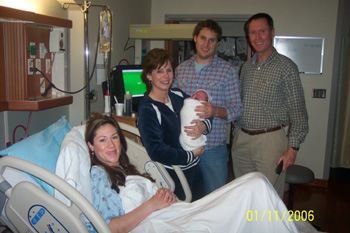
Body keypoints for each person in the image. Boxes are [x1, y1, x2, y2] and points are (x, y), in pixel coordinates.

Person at [84, 114, 317, 233]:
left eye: (115, 137)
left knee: (255, 185)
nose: (112, 145)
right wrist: (153, 204)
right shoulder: (99, 175)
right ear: (91, 146)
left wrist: (160, 195)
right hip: (162, 224)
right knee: (253, 187)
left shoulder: (122, 168)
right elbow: (111, 227)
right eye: (102, 140)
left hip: (176, 212)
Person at [231, 13, 309, 198]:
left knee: (268, 197)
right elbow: (240, 103)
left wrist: (293, 148)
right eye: (252, 33)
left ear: (272, 32)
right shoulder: (246, 68)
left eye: (262, 31)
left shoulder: (286, 67)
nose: (257, 37)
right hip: (242, 139)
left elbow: (299, 113)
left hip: (270, 141)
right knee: (242, 195)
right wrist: (235, 135)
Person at [174, 19, 243, 195]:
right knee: (186, 196)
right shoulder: (181, 70)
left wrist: (214, 111)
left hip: (213, 151)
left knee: (215, 199)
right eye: (203, 38)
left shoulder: (227, 71)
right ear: (195, 38)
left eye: (211, 40)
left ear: (217, 44)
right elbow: (173, 104)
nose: (206, 44)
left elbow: (236, 109)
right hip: (184, 147)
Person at [137, 48, 212, 201]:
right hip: (172, 176)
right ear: (149, 76)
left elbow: (204, 111)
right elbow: (156, 150)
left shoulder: (178, 95)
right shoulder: (148, 109)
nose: (166, 76)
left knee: (198, 213)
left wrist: (204, 126)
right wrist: (190, 155)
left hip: (195, 170)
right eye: (159, 71)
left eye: (169, 70)